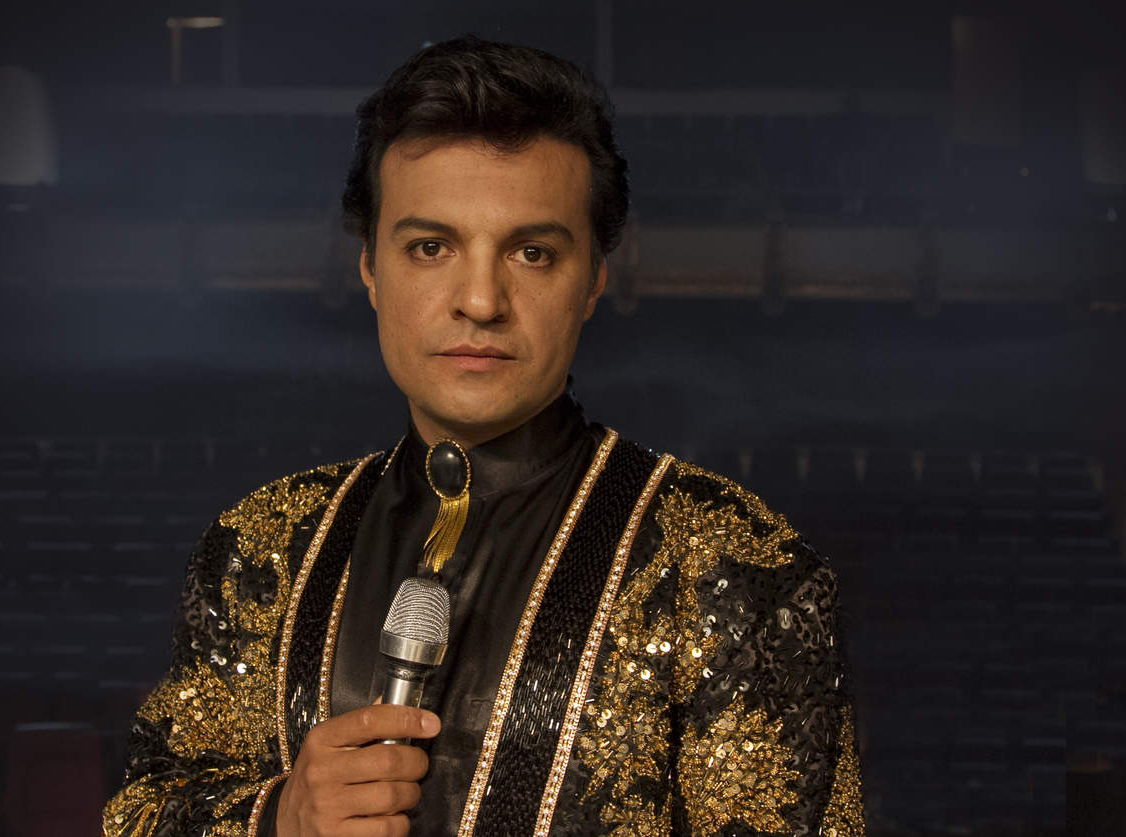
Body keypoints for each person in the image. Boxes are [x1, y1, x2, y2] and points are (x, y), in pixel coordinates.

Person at [103, 35, 864, 837]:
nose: (480, 300)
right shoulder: (260, 546)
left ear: (593, 280)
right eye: (431, 247)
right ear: (370, 270)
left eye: (532, 252)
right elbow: (144, 810)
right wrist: (279, 817)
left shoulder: (734, 564)